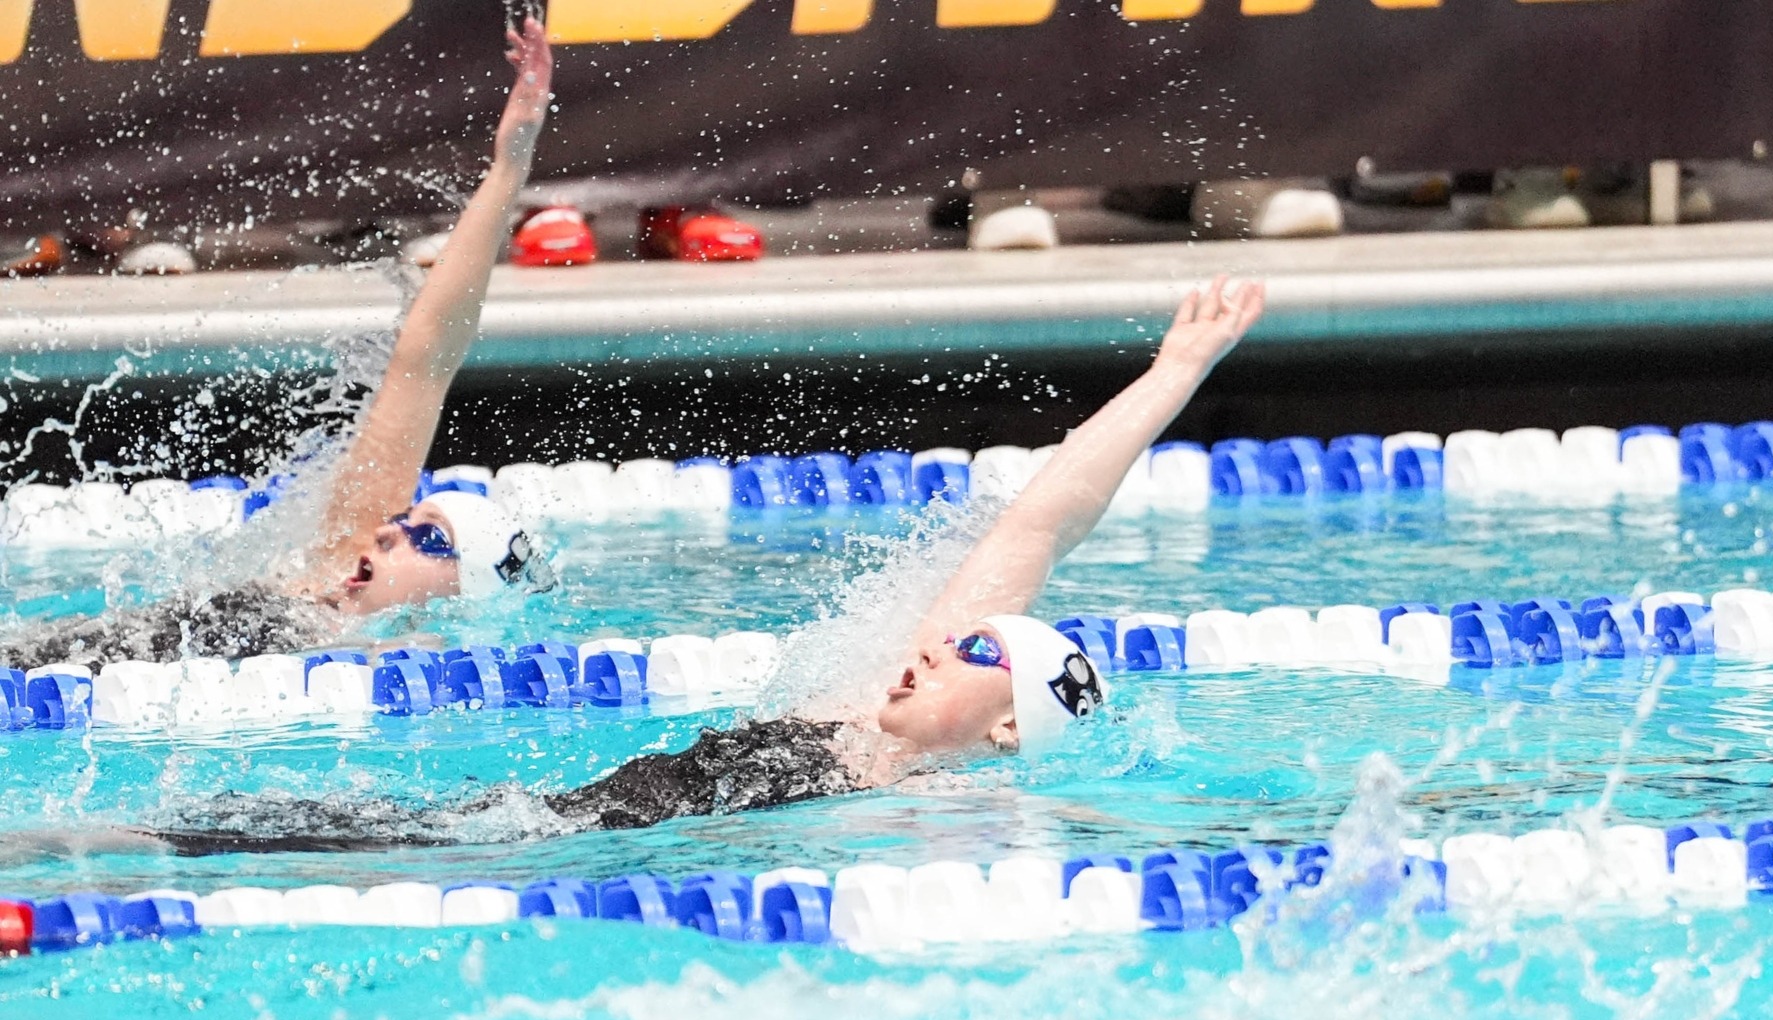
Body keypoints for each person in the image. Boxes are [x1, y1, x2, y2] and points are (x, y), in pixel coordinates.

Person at [135, 276, 1267, 854]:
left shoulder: (923, 809)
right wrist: (1178, 365)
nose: (932, 643)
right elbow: (1038, 521)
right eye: (953, 633)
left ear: (1010, 727)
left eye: (971, 650)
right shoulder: (847, 717)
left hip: (558, 854)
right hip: (532, 826)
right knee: (225, 829)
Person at [1, 19, 557, 670]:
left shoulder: (403, 669)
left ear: (467, 588)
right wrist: (507, 167)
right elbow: (425, 356)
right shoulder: (334, 563)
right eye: (408, 519)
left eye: (424, 536)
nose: (388, 527)